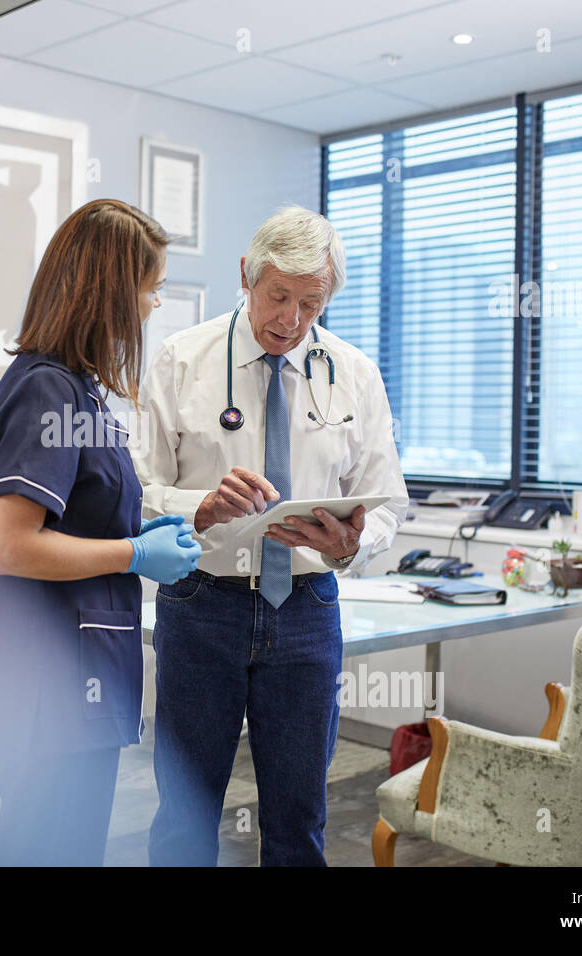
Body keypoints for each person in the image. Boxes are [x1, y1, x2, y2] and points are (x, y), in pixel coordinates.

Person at [132, 205, 410, 866]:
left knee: (298, 819)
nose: (290, 319)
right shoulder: (181, 360)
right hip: (203, 605)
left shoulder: (354, 373)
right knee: (186, 814)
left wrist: (355, 544)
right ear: (247, 278)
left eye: (310, 303)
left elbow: (390, 501)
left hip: (308, 611)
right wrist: (200, 504)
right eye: (278, 296)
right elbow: (136, 493)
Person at [0, 198, 202, 866]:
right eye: (150, 287)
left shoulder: (77, 391)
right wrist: (134, 553)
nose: (155, 304)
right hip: (52, 693)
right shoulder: (49, 391)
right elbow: (9, 544)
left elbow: (74, 517)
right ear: (110, 291)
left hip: (69, 688)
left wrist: (141, 529)